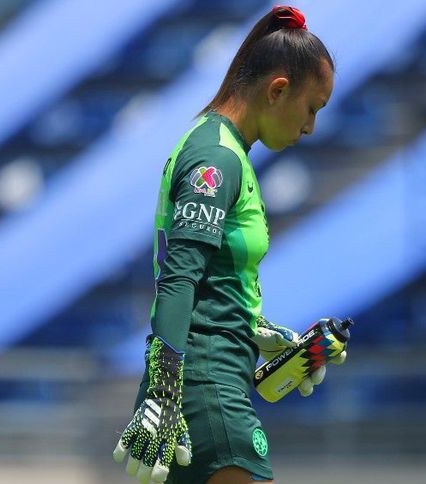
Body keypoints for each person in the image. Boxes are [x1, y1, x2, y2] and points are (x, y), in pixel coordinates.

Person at [113, 6, 341, 484]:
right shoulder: (217, 158)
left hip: (200, 385)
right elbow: (180, 277)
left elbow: (210, 281)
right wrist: (164, 393)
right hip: (203, 387)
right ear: (277, 90)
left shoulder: (222, 147)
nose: (310, 127)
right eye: (312, 108)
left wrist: (257, 331)